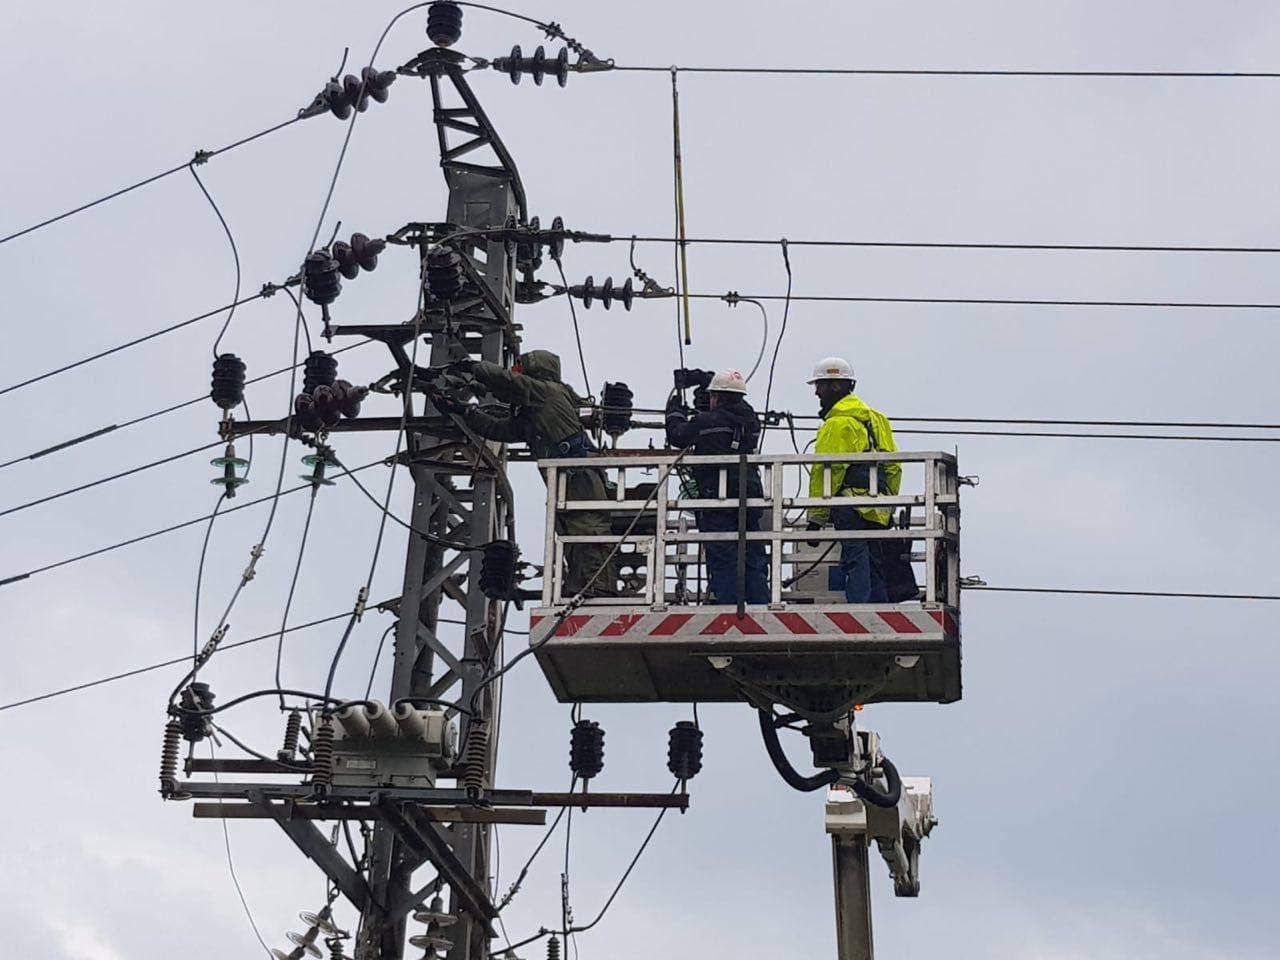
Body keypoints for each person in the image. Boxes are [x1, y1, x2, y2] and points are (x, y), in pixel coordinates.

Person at [451, 350, 617, 599]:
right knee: (573, 533)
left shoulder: (547, 391)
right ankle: (583, 585)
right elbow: (499, 428)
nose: (516, 372)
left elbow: (510, 383)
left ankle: (599, 587)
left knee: (588, 529)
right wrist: (465, 412)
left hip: (581, 477)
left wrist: (474, 367)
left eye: (521, 368)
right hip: (569, 479)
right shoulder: (533, 414)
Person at [665, 368, 770, 605]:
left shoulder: (706, 421)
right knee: (752, 558)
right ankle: (759, 607)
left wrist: (674, 412)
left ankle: (731, 610)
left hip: (717, 503)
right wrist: (704, 379)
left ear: (717, 397)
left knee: (724, 560)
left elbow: (679, 436)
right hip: (748, 500)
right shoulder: (750, 420)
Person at [804, 357, 901, 603]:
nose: (817, 392)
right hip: (877, 503)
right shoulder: (877, 420)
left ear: (836, 386)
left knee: (856, 559)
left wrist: (816, 517)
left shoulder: (837, 423)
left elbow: (826, 471)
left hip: (850, 504)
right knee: (875, 561)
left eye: (821, 386)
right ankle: (880, 610)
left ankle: (861, 609)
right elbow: (894, 466)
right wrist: (888, 502)